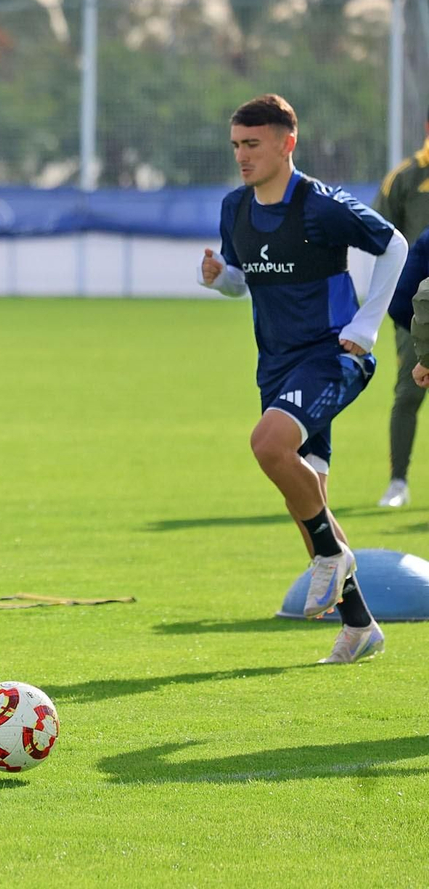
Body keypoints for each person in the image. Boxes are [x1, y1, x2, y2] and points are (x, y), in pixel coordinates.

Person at [199, 94, 404, 664]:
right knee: (305, 496)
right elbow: (246, 280)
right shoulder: (235, 207)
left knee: (268, 444)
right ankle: (360, 626)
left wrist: (366, 327)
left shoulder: (321, 205)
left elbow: (395, 246)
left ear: (287, 143)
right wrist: (220, 279)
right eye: (236, 145)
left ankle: (330, 558)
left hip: (334, 354)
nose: (242, 155)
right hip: (278, 365)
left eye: (253, 144)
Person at [371, 112, 429, 507]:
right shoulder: (406, 178)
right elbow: (380, 237)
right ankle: (398, 482)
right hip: (418, 308)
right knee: (409, 391)